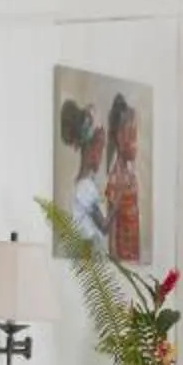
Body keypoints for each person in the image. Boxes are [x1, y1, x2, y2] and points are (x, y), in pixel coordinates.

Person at [59, 98, 110, 251]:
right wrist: (118, 201)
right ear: (90, 149)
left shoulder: (83, 183)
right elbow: (104, 226)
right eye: (100, 148)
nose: (100, 156)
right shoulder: (85, 186)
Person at [102, 91, 143, 262]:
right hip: (122, 259)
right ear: (119, 138)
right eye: (131, 136)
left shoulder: (131, 175)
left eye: (135, 136)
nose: (136, 144)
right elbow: (109, 231)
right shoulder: (116, 178)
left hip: (133, 259)